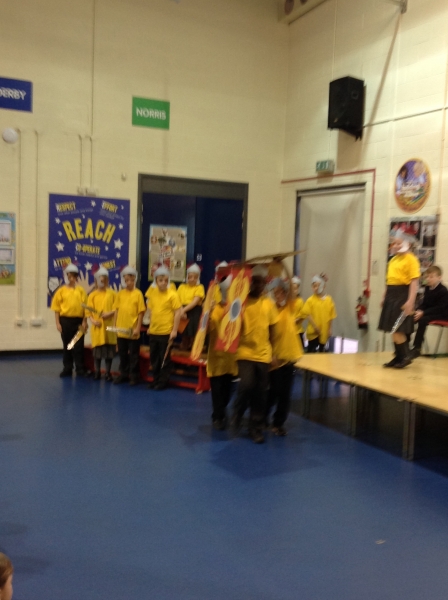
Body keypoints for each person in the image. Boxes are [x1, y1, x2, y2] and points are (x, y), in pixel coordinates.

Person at [232, 265, 279, 444]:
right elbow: (231, 324)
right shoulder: (241, 303)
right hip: (244, 352)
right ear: (249, 283)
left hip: (263, 354)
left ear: (265, 284)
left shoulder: (269, 304)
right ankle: (238, 412)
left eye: (261, 283)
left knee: (260, 392)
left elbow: (272, 329)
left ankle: (256, 428)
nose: (258, 286)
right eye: (255, 282)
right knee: (246, 385)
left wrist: (273, 353)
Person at [266, 278, 303, 436]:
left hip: (289, 357)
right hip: (275, 358)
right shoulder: (270, 309)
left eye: (281, 292)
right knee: (274, 391)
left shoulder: (289, 306)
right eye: (276, 293)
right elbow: (267, 335)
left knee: (285, 393)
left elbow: (293, 292)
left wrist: (285, 269)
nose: (279, 295)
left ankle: (278, 423)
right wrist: (271, 355)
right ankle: (263, 416)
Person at [379, 231, 420, 368]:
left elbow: (414, 282)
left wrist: (410, 301)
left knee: (398, 329)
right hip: (391, 294)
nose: (395, 246)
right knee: (392, 329)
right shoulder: (393, 260)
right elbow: (389, 281)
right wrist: (384, 296)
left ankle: (405, 356)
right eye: (394, 243)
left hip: (402, 295)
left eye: (398, 243)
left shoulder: (411, 259)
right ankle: (398, 357)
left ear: (407, 244)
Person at [207, 269, 238, 430]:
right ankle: (217, 416)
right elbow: (206, 329)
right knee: (217, 389)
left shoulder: (236, 309)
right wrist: (208, 313)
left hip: (231, 358)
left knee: (228, 390)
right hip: (216, 357)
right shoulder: (215, 309)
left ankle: (222, 410)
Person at [145, 266, 182, 390]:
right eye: (161, 280)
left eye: (166, 280)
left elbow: (178, 312)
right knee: (154, 357)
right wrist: (150, 326)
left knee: (164, 358)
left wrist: (174, 330)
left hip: (166, 332)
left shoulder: (172, 294)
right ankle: (155, 379)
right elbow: (151, 311)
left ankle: (163, 381)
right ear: (156, 280)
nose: (163, 283)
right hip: (154, 331)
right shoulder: (153, 293)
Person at [51, 263, 88, 377]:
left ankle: (80, 368)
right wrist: (58, 323)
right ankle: (67, 368)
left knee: (78, 345)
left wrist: (84, 321)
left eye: (73, 276)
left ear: (76, 277)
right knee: (68, 345)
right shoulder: (61, 291)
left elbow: (85, 308)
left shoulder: (81, 291)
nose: (71, 279)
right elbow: (57, 309)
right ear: (66, 276)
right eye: (69, 276)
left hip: (78, 321)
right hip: (65, 321)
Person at [113, 266, 146, 385]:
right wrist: (114, 325)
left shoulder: (138, 294)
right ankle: (123, 374)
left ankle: (134, 376)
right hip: (121, 329)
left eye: (131, 280)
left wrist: (138, 327)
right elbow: (116, 310)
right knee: (122, 354)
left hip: (132, 330)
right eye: (126, 280)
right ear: (123, 280)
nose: (129, 282)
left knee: (133, 355)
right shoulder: (120, 294)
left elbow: (141, 312)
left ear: (134, 280)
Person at [410, 265, 448, 358]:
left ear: (439, 278)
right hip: (430, 312)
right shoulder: (427, 288)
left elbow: (440, 308)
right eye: (427, 277)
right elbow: (425, 304)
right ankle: (404, 345)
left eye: (431, 277)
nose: (428, 279)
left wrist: (423, 313)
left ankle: (417, 348)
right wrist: (418, 310)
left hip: (442, 314)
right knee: (411, 317)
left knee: (423, 320)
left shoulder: (443, 290)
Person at [87, 267, 117, 381]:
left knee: (109, 352)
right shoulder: (92, 295)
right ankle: (97, 372)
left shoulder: (112, 294)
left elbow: (117, 308)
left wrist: (110, 313)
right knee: (97, 352)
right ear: (96, 281)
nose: (102, 282)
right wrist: (93, 320)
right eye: (100, 280)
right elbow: (89, 311)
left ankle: (108, 373)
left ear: (107, 281)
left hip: (109, 327)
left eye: (104, 280)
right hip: (98, 327)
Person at [301, 275, 337, 353]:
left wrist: (329, 329)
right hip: (313, 332)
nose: (316, 288)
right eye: (314, 286)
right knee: (311, 351)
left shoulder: (329, 300)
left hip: (324, 331)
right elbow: (308, 314)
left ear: (323, 286)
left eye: (318, 285)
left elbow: (331, 315)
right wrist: (315, 327)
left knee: (322, 352)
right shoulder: (310, 300)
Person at [177, 264, 205, 350]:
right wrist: (181, 310)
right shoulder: (182, 287)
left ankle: (194, 345)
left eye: (195, 277)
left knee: (193, 329)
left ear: (198, 278)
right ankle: (184, 344)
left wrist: (184, 310)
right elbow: (177, 300)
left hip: (194, 310)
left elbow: (195, 302)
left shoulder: (200, 287)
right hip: (182, 309)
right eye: (190, 277)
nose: (192, 279)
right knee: (184, 330)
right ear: (187, 277)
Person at [291, 275, 305, 347]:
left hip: (298, 331)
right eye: (292, 289)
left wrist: (295, 321)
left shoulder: (300, 301)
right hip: (289, 331)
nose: (293, 291)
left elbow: (302, 315)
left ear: (298, 289)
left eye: (295, 289)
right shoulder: (288, 301)